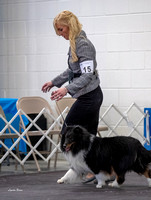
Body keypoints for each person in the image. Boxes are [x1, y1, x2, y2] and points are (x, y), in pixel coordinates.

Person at [41, 10, 103, 181]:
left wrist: (66, 89)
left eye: (61, 30)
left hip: (90, 97)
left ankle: (80, 169)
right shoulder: (75, 43)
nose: (60, 34)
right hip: (89, 96)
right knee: (89, 137)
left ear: (70, 26)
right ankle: (96, 170)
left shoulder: (84, 44)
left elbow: (87, 75)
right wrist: (54, 82)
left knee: (67, 133)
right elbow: (72, 70)